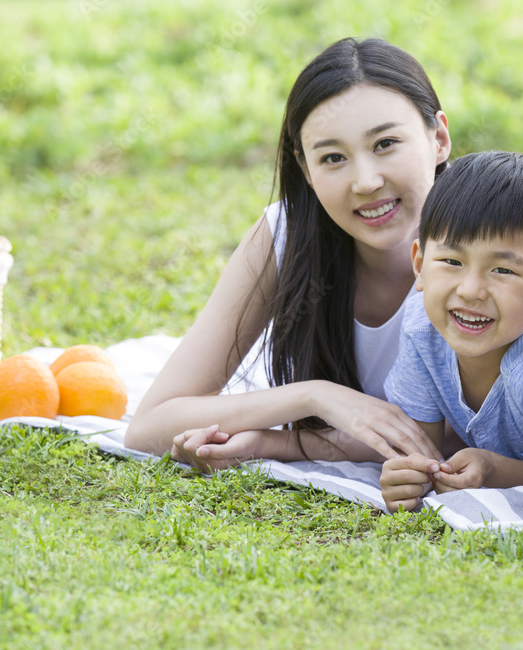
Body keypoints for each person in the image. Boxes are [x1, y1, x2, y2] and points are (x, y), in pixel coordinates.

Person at [124, 37, 453, 467]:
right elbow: (148, 426)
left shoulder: (491, 239)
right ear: (306, 170)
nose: (366, 181)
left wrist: (277, 442)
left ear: (439, 139)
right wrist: (315, 397)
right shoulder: (287, 234)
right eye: (333, 157)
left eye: (385, 144)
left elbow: (463, 440)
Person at [378, 150, 523, 512]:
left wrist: (493, 468)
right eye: (452, 262)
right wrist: (407, 476)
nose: (470, 290)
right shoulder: (422, 328)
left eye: (502, 270)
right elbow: (418, 449)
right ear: (420, 265)